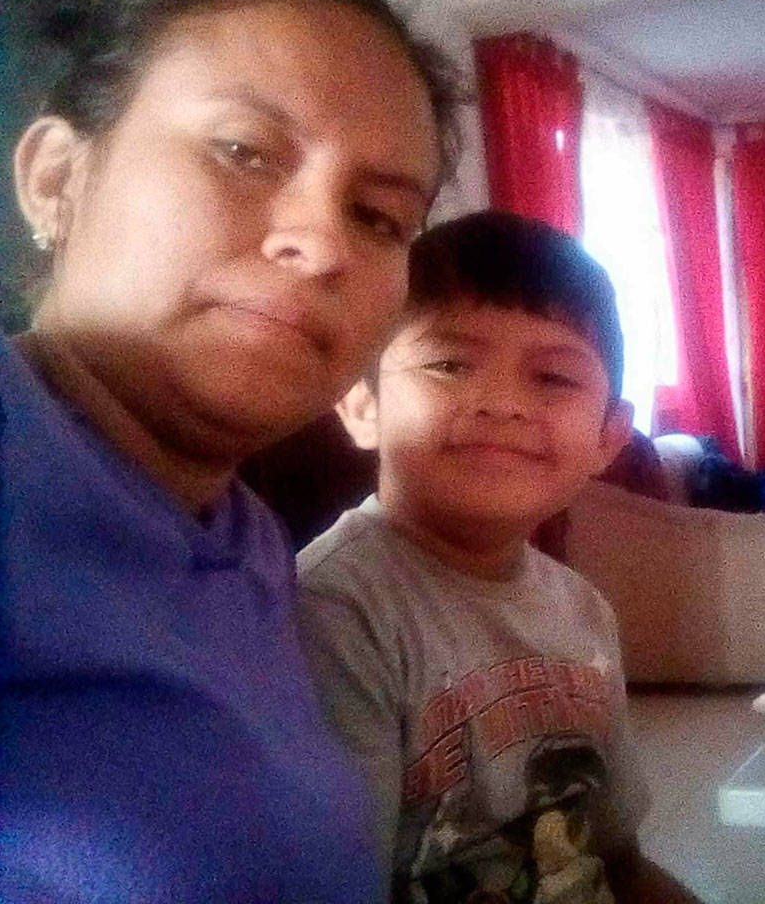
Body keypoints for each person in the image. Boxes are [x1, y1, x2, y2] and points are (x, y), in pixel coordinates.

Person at [0, 0, 460, 901]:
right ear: (56, 178)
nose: (323, 243)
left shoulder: (249, 544)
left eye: (379, 217)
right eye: (243, 151)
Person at [296, 211, 701, 904]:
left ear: (609, 436)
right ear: (362, 405)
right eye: (449, 364)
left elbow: (617, 858)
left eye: (554, 378)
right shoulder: (336, 612)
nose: (504, 404)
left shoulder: (583, 611)